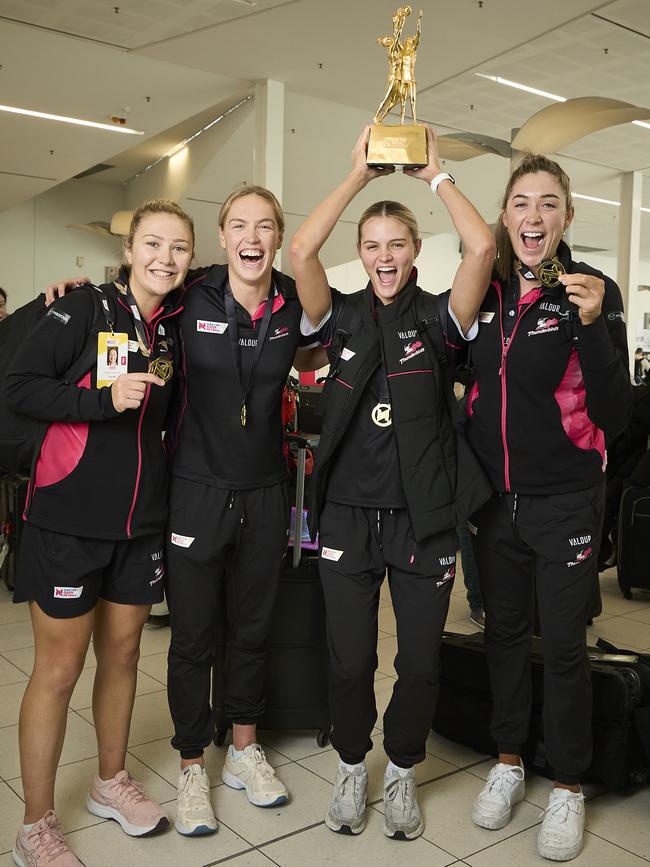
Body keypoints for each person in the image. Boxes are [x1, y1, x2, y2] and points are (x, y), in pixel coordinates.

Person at [46, 186, 323, 839]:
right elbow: (128, 299)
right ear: (222, 237)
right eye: (238, 224)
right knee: (193, 637)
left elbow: (314, 350)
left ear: (277, 237)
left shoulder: (290, 299)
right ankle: (194, 762)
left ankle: (245, 749)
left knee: (252, 628)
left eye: (264, 226)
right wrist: (74, 292)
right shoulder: (189, 293)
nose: (251, 236)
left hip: (264, 488)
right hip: (195, 488)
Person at [289, 125, 495, 840]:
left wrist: (435, 175)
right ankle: (353, 764)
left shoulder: (440, 320)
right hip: (346, 514)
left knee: (420, 662)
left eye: (396, 244)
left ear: (413, 252)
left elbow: (482, 249)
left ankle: (401, 770)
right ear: (362, 254)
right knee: (349, 662)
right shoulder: (341, 314)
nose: (383, 256)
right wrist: (358, 177)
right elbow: (299, 251)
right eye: (372, 245)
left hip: (422, 519)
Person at [4, 199, 194, 866]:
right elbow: (19, 384)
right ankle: (35, 823)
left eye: (178, 247)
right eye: (153, 243)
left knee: (121, 657)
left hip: (141, 526)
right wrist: (98, 401)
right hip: (68, 521)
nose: (164, 257)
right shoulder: (83, 307)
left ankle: (110, 781)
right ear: (130, 247)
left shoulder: (168, 330)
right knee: (57, 670)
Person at [464, 154, 633, 862]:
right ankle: (508, 761)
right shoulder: (489, 294)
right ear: (505, 215)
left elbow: (616, 414)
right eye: (522, 203)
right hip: (494, 504)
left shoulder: (591, 291)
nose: (534, 217)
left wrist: (593, 325)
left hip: (565, 501)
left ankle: (566, 782)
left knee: (563, 647)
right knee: (504, 635)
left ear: (567, 215)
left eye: (549, 204)